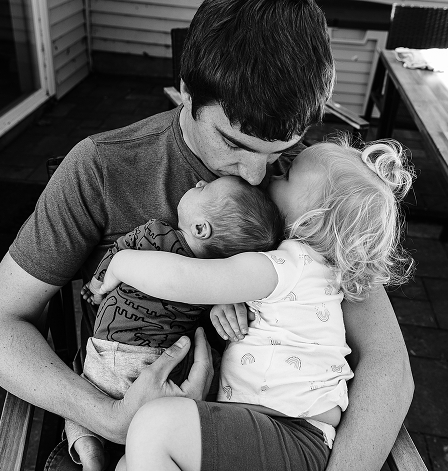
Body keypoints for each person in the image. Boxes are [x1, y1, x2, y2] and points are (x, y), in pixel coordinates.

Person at [0, 0, 414, 471]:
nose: (259, 174)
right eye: (235, 144)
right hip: (124, 435)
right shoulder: (104, 167)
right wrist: (110, 417)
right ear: (184, 93)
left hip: (261, 440)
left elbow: (388, 365)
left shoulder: (316, 193)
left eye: (281, 151)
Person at [94, 138, 414, 471]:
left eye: (287, 175)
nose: (271, 176)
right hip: (275, 431)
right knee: (129, 463)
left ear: (314, 218)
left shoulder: (287, 265)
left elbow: (187, 279)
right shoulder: (323, 273)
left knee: (155, 425)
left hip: (289, 433)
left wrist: (123, 263)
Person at [65, 176, 284, 471]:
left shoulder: (156, 234)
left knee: (81, 398)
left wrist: (97, 284)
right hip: (162, 372)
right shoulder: (217, 279)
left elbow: (119, 250)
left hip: (107, 356)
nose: (198, 181)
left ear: (199, 228)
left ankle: (90, 451)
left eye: (203, 188)